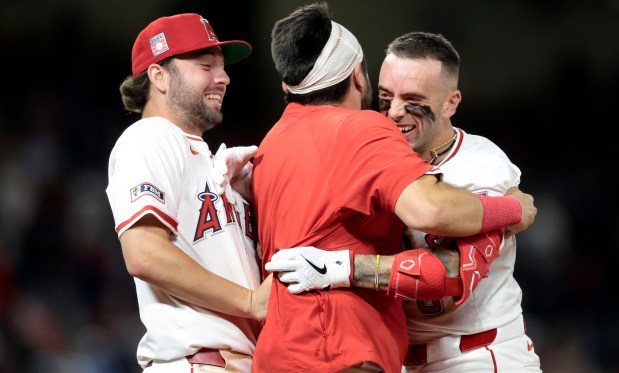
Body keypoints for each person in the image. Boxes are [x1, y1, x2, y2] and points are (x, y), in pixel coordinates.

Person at [251, 3, 536, 373]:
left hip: (475, 355)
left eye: (413, 101)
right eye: (385, 98)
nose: (395, 112)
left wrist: (343, 268)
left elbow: (448, 273)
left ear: (451, 102)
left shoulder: (482, 165)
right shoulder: (367, 146)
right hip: (395, 356)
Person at [105, 13, 271, 372]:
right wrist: (251, 300)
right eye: (205, 66)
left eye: (223, 67)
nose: (223, 78)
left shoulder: (207, 161)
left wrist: (251, 195)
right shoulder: (150, 136)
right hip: (197, 361)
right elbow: (144, 254)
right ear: (159, 75)